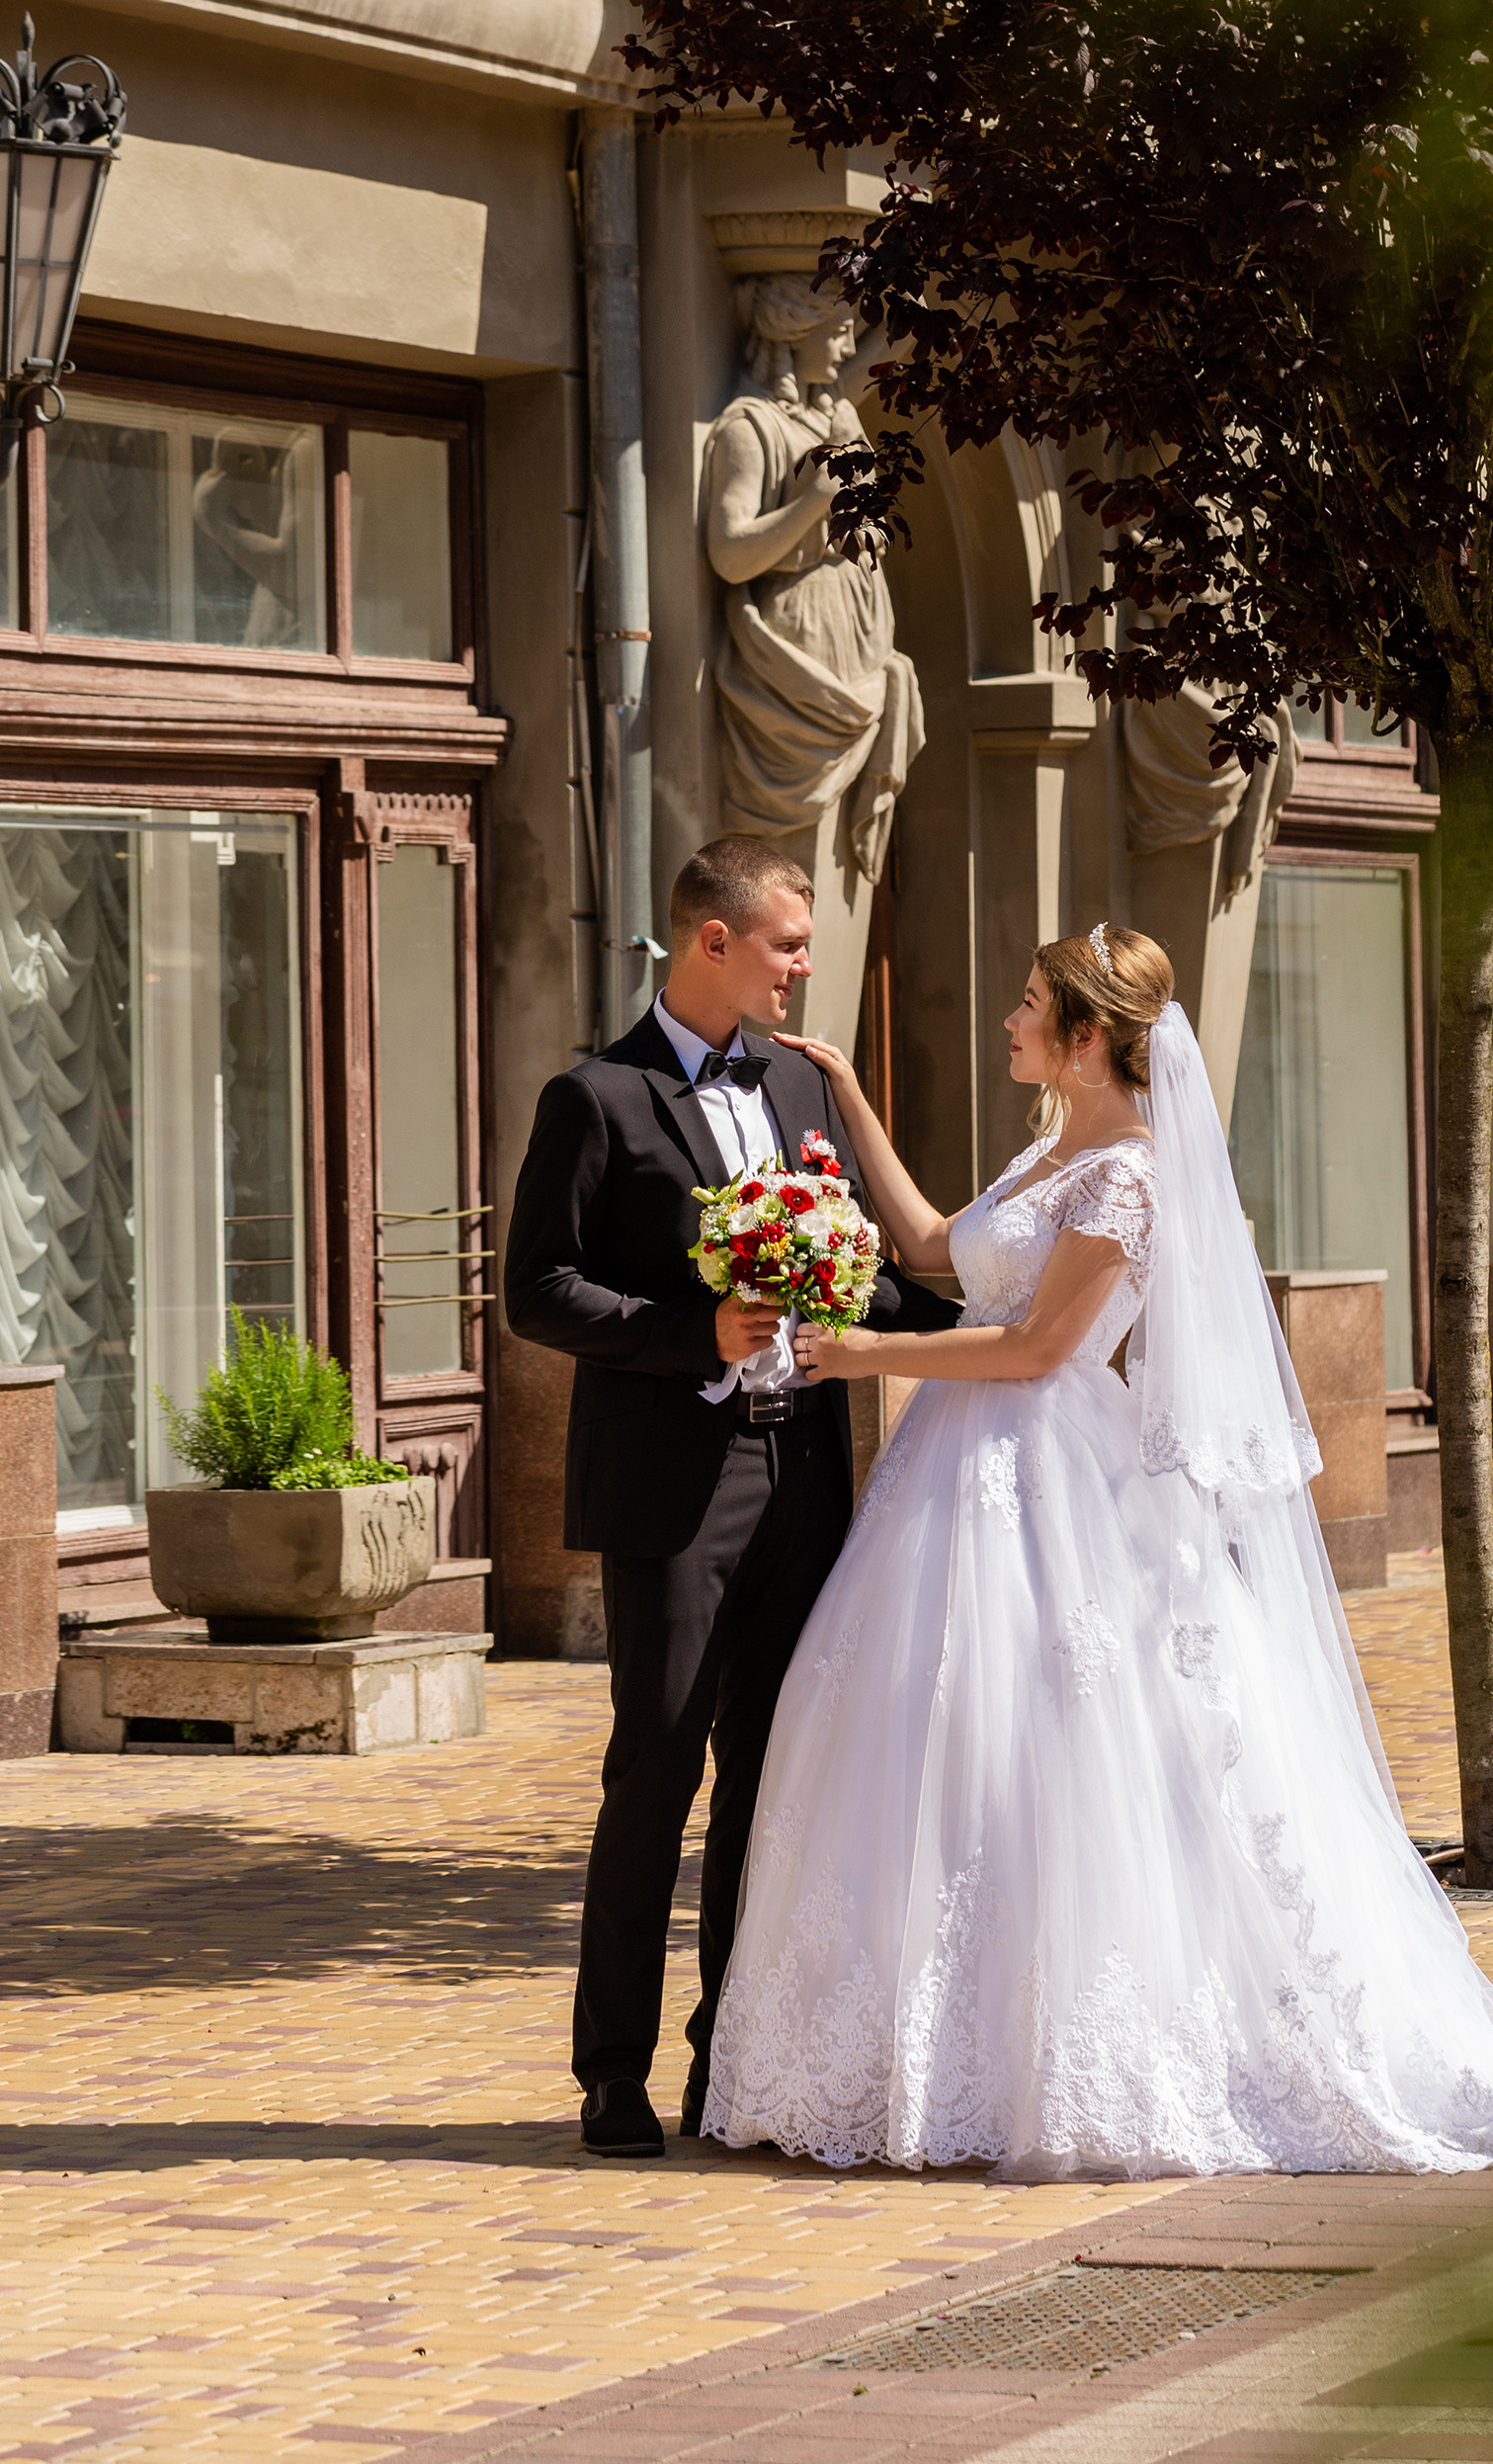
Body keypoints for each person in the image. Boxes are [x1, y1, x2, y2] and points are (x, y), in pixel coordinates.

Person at [703, 924, 1493, 2179]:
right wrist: (845, 1093)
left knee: (1058, 1747)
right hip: (952, 1472)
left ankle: (1066, 2059)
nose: (1009, 1018)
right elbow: (936, 1245)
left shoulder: (1130, 1179)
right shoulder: (1055, 1151)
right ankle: (910, 2063)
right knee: (936, 1749)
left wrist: (861, 1356)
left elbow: (1039, 1352)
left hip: (1047, 1472)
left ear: (1088, 1035)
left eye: (1029, 1003)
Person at [501, 834, 957, 2159]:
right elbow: (540, 1287)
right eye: (787, 945)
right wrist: (681, 1330)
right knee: (655, 1771)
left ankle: (729, 2063)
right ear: (713, 939)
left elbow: (867, 1273)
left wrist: (991, 1312)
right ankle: (611, 2074)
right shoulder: (596, 1096)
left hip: (805, 1475)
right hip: (674, 1492)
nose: (804, 967)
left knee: (775, 1780)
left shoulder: (802, 1089)